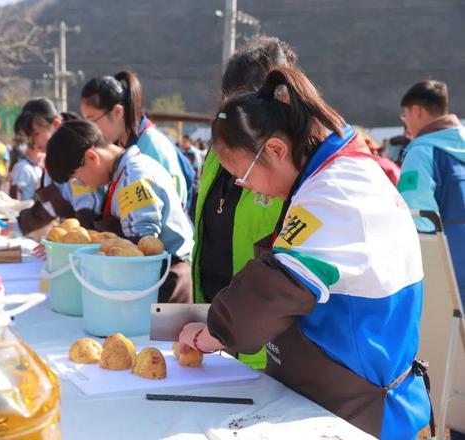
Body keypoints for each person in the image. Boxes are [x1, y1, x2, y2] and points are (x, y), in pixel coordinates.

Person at [178, 67, 431, 438]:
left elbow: (277, 287)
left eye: (243, 174)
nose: (245, 187)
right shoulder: (334, 175)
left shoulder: (334, 195)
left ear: (277, 150)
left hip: (358, 411)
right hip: (329, 396)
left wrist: (217, 330)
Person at [192, 36, 289, 369]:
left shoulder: (289, 167)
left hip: (263, 341)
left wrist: (229, 325)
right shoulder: (217, 156)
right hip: (213, 323)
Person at [46, 120, 194, 303]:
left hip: (164, 284)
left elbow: (142, 249)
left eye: (77, 177)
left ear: (92, 158)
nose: (81, 184)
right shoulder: (123, 174)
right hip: (153, 281)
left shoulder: (134, 178)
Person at [398, 80, 465, 348]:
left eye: (404, 116)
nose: (405, 123)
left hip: (450, 277)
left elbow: (415, 219)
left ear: (416, 111)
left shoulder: (421, 151)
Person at [80, 71, 193, 209]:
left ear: (117, 112)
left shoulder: (154, 148)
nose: (90, 129)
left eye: (92, 121)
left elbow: (167, 211)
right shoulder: (121, 144)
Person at [13, 98, 103, 235]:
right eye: (28, 137)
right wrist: (20, 225)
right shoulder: (54, 156)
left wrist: (66, 241)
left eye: (36, 134)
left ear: (56, 124)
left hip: (87, 239)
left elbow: (88, 209)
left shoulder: (77, 150)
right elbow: (50, 205)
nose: (32, 142)